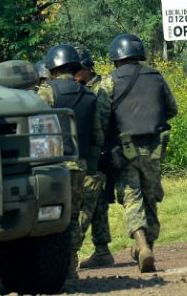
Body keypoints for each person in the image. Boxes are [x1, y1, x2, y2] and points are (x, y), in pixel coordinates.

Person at [98, 34, 178, 273]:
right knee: (151, 196)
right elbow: (171, 109)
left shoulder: (109, 82)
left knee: (132, 196)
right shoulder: (157, 77)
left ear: (116, 59)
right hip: (154, 147)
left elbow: (101, 120)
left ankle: (141, 245)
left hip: (124, 150)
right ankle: (149, 247)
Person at [36, 44, 104, 280]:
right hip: (80, 166)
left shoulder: (46, 92)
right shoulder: (89, 94)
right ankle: (70, 264)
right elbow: (98, 136)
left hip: (52, 165)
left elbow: (36, 128)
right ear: (75, 67)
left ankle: (52, 265)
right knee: (73, 216)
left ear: (52, 67)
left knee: (50, 216)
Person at [74, 48, 116, 269]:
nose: (72, 74)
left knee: (92, 202)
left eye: (76, 69)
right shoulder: (83, 89)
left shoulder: (99, 89)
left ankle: (89, 250)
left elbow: (101, 122)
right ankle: (102, 250)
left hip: (100, 152)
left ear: (86, 69)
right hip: (92, 152)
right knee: (96, 203)